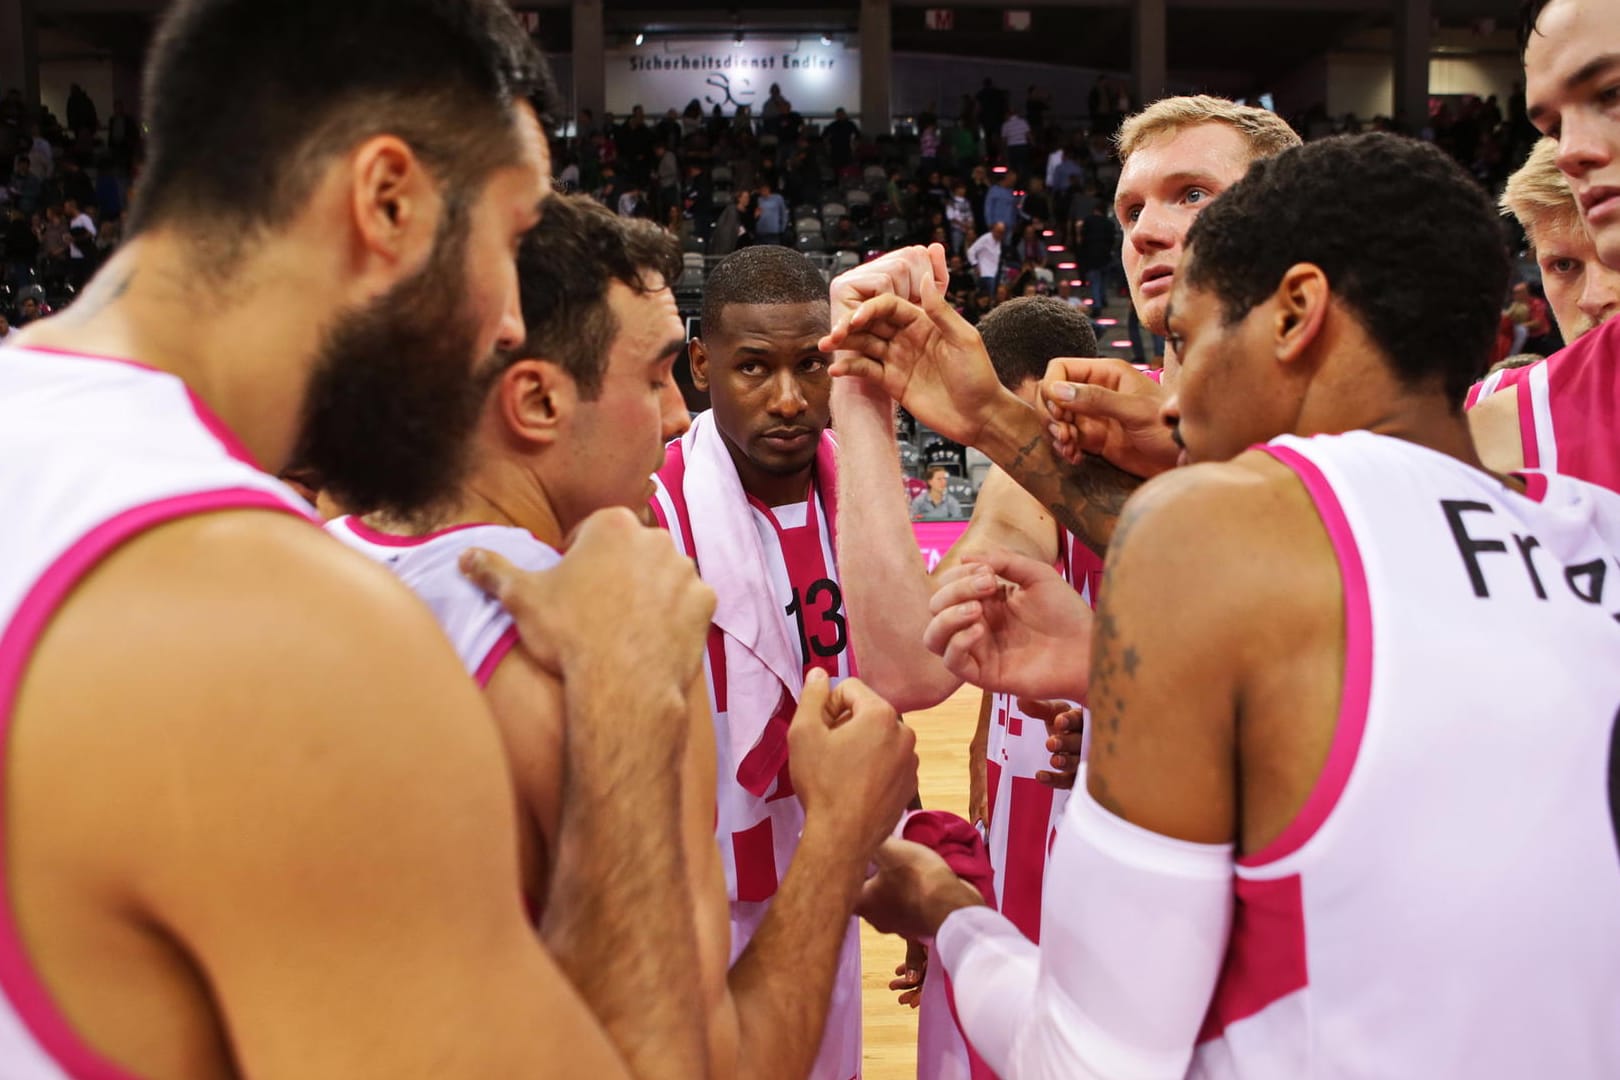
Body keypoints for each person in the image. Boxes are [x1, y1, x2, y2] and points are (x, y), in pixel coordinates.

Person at [0, 0, 721, 1074]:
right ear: (387, 201)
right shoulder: (278, 625)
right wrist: (622, 699)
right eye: (510, 238)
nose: (512, 322)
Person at [840, 131, 1620, 1079]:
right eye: (1130, 211)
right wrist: (1122, 670)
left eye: (1191, 339)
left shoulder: (1211, 523)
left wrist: (945, 914)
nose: (1175, 399)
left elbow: (1089, 1064)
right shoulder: (1589, 523)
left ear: (1296, 304)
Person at [329, 195, 918, 1080]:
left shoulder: (302, 574)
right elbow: (693, 1064)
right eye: (655, 380)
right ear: (533, 400)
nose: (683, 416)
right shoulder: (609, 662)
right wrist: (838, 832)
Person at [650, 245, 903, 1080]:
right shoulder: (650, 505)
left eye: (812, 366)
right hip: (692, 893)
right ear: (700, 364)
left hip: (828, 868)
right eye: (753, 367)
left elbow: (894, 687)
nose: (789, 400)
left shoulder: (864, 497)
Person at [967, 221, 1004, 296]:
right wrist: (975, 265)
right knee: (985, 297)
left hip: (994, 273)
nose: (1000, 234)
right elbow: (971, 251)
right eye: (998, 232)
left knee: (992, 297)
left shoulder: (998, 241)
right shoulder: (985, 239)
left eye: (1001, 232)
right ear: (993, 230)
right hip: (984, 273)